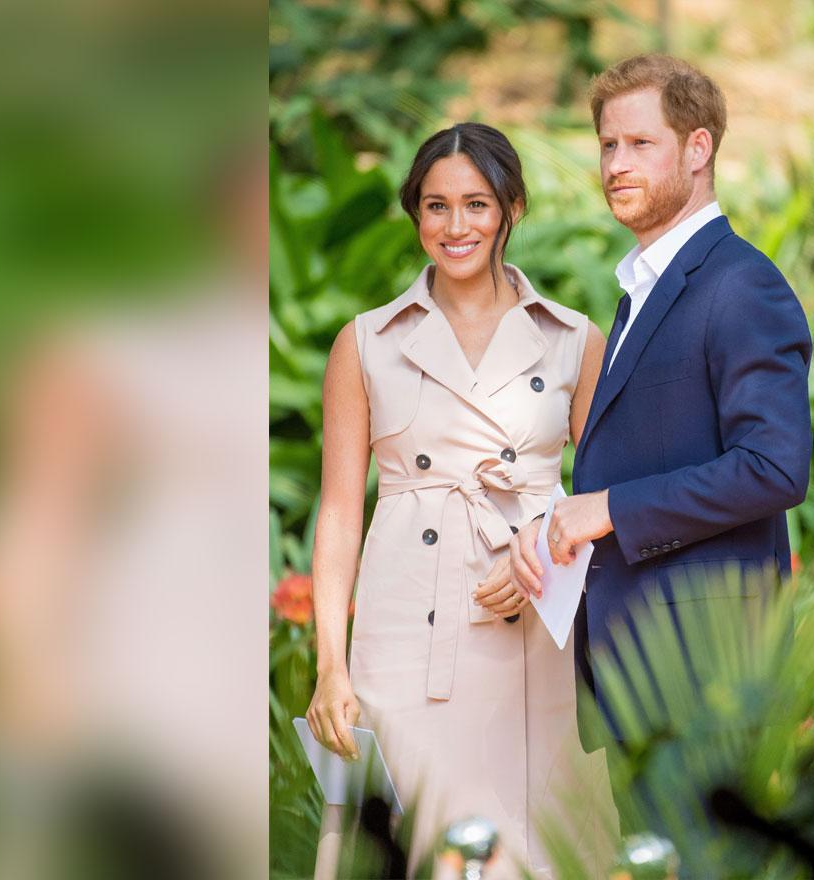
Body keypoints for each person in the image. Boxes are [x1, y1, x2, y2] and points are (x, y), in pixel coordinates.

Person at [305, 122, 617, 879]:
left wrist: (541, 546)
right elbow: (343, 513)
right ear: (416, 215)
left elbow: (610, 497)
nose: (455, 226)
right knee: (420, 842)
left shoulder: (575, 340)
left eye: (476, 204)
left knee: (542, 846)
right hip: (407, 631)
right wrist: (329, 665)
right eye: (435, 206)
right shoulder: (367, 342)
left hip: (534, 627)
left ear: (512, 208)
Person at [507, 51, 813, 814]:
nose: (615, 163)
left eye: (640, 144)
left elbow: (775, 467)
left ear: (698, 149)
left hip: (707, 671)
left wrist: (608, 507)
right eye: (608, 145)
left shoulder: (741, 285)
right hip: (641, 666)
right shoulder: (642, 291)